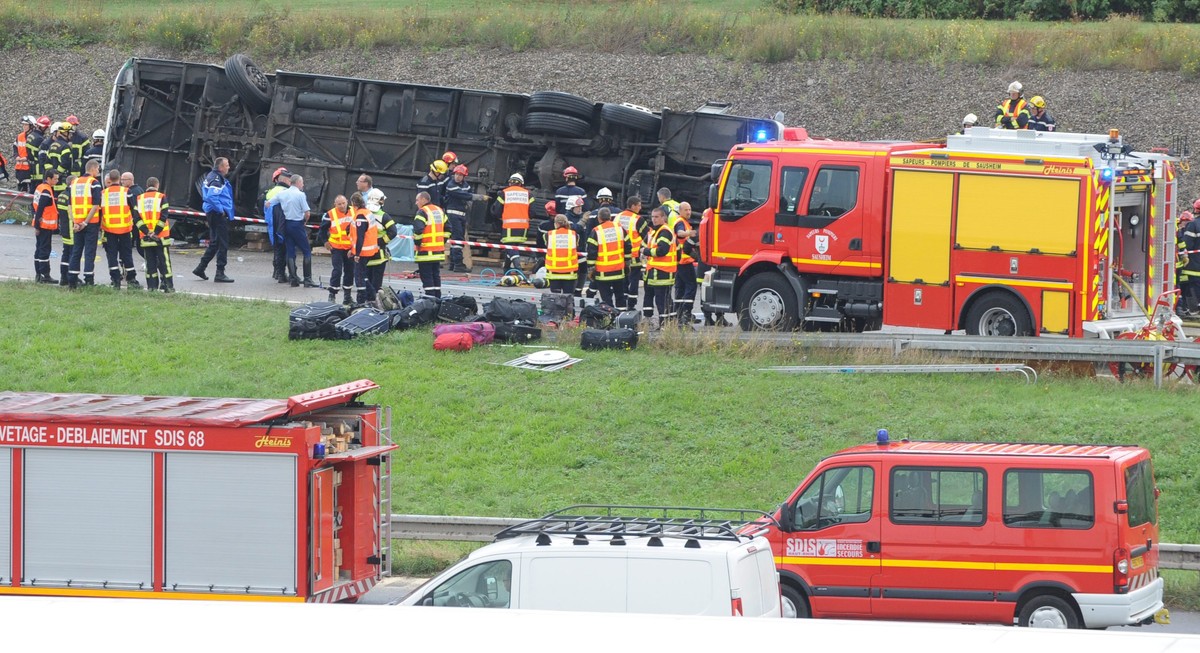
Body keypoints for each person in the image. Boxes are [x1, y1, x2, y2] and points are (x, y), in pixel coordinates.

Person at [193, 157, 235, 283]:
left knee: (215, 242)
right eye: (227, 165)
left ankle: (200, 268)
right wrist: (221, 210)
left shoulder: (213, 176)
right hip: (217, 214)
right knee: (223, 243)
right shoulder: (217, 179)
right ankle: (220, 273)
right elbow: (212, 196)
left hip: (213, 213)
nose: (229, 167)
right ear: (221, 167)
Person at [100, 168, 140, 289]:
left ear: (109, 180)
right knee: (126, 254)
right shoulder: (126, 191)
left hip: (109, 229)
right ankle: (131, 279)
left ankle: (115, 279)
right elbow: (134, 208)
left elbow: (100, 211)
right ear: (119, 179)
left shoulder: (104, 193)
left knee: (111, 255)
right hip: (125, 229)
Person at [67, 159, 103, 288]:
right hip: (90, 223)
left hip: (77, 223)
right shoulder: (94, 183)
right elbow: (95, 205)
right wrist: (86, 222)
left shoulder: (74, 183)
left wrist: (75, 222)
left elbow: (69, 205)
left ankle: (72, 279)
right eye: (98, 169)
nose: (98, 171)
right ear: (92, 168)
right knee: (89, 252)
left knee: (76, 251)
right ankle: (89, 280)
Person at [135, 177, 174, 292]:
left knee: (150, 264)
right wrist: (155, 232)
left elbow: (137, 219)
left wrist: (147, 232)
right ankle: (168, 286)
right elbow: (163, 216)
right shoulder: (161, 197)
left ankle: (152, 287)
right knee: (165, 262)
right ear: (157, 185)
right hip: (160, 236)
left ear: (147, 185)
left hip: (146, 238)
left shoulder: (139, 198)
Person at [586, 207, 630, 309]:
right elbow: (628, 247)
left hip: (603, 273)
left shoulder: (596, 231)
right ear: (610, 217)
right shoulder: (620, 228)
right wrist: (627, 264)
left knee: (606, 300)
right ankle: (622, 319)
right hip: (619, 270)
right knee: (620, 297)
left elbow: (591, 253)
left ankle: (609, 320)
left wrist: (591, 270)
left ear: (599, 218)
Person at [279, 174, 317, 287]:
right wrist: (305, 221)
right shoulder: (300, 195)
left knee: (290, 251)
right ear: (298, 183)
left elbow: (269, 203)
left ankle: (293, 279)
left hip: (286, 224)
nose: (303, 184)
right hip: (297, 224)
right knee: (306, 251)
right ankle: (307, 279)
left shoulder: (282, 193)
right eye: (302, 182)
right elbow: (307, 212)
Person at [442, 163, 479, 273]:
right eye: (456, 174)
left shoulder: (466, 185)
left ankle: (453, 263)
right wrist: (474, 197)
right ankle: (458, 264)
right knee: (457, 239)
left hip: (461, 216)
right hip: (453, 216)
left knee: (458, 240)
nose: (458, 176)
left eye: (460, 175)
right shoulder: (451, 185)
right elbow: (463, 195)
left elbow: (467, 192)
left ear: (464, 176)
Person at [643, 206, 676, 327]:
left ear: (664, 218)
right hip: (659, 271)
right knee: (665, 299)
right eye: (652, 217)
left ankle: (664, 325)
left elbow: (662, 251)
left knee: (661, 300)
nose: (654, 219)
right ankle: (669, 324)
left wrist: (646, 251)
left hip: (662, 272)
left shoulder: (664, 231)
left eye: (657, 217)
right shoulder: (656, 231)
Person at [364, 187, 399, 302]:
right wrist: (381, 242)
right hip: (379, 256)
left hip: (365, 255)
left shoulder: (362, 214)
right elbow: (393, 231)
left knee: (365, 282)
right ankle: (375, 303)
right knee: (376, 284)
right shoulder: (384, 216)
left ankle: (366, 303)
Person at [319, 194, 354, 304]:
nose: (342, 206)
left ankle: (347, 297)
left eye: (343, 203)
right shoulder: (330, 214)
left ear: (347, 201)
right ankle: (332, 294)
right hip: (337, 248)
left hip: (350, 248)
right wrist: (325, 242)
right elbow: (322, 230)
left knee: (349, 272)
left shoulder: (354, 211)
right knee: (337, 271)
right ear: (335, 204)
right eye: (339, 204)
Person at [495, 172, 534, 271]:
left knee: (510, 248)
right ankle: (506, 270)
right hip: (523, 229)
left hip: (509, 228)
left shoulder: (504, 193)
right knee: (512, 248)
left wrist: (501, 217)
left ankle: (518, 269)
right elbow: (533, 213)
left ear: (510, 183)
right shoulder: (528, 194)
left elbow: (496, 211)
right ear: (521, 184)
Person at [412, 190, 447, 298]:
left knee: (427, 278)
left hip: (425, 251)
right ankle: (437, 299)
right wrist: (441, 242)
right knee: (436, 276)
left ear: (424, 199)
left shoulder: (422, 212)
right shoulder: (439, 210)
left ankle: (430, 300)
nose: (416, 203)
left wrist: (417, 243)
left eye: (417, 200)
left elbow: (418, 230)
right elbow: (448, 229)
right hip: (438, 251)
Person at [348, 192, 379, 306]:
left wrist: (357, 253)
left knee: (359, 276)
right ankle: (371, 296)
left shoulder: (360, 216)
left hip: (363, 251)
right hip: (369, 250)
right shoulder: (367, 213)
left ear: (353, 203)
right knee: (363, 275)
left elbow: (360, 236)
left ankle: (361, 300)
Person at [614, 196, 644, 312]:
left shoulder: (617, 217)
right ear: (633, 206)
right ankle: (631, 305)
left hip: (621, 256)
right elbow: (647, 236)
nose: (640, 208)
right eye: (639, 205)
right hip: (634, 256)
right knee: (634, 281)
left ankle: (623, 302)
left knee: (624, 280)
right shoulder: (638, 219)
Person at [671, 202, 699, 323]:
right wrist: (690, 233)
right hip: (684, 261)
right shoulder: (680, 222)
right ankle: (686, 314)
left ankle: (679, 313)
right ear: (680, 211)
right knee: (691, 286)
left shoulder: (684, 222)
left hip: (680, 261)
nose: (688, 212)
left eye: (690, 209)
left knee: (680, 288)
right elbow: (680, 233)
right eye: (686, 210)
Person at [263, 167, 292, 283]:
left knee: (277, 248)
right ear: (285, 180)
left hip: (272, 224)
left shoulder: (271, 192)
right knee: (284, 249)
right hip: (283, 224)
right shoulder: (286, 192)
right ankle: (281, 274)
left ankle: (277, 272)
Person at [31, 170, 60, 283]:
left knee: (39, 249)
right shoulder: (46, 191)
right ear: (48, 178)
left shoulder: (40, 187)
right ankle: (45, 275)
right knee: (44, 250)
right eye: (55, 179)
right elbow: (40, 209)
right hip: (44, 225)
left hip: (41, 224)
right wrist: (38, 226)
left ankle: (39, 274)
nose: (57, 181)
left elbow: (34, 207)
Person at [544, 214, 579, 296]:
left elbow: (546, 244)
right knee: (569, 299)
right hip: (569, 272)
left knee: (556, 300)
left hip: (554, 272)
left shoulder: (548, 235)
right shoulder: (574, 235)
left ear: (556, 223)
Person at [121, 171, 146, 262]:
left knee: (138, 246)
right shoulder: (139, 189)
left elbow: (133, 208)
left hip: (134, 222)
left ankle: (152, 262)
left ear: (131, 180)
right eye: (121, 179)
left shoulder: (132, 192)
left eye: (124, 180)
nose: (122, 181)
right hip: (138, 221)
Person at [55, 173, 74, 286]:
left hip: (64, 228)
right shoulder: (71, 196)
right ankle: (70, 277)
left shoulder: (62, 194)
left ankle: (63, 277)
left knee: (66, 253)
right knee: (72, 254)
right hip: (71, 229)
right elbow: (72, 214)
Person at [1181, 208, 1200, 317]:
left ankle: (1193, 307)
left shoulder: (1193, 225)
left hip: (1194, 263)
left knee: (1192, 285)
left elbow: (1187, 244)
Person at [12, 116, 37, 193]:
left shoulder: (34, 137)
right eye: (23, 125)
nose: (24, 127)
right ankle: (22, 204)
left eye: (26, 125)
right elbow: (15, 147)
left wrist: (26, 158)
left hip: (30, 168)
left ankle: (28, 205)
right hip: (19, 168)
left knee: (31, 189)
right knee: (21, 189)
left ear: (31, 126)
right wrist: (16, 156)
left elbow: (34, 152)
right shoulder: (20, 136)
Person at [26, 115, 50, 191]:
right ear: (43, 127)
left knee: (32, 188)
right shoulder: (40, 139)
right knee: (39, 188)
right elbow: (42, 155)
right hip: (38, 168)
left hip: (31, 166)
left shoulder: (31, 135)